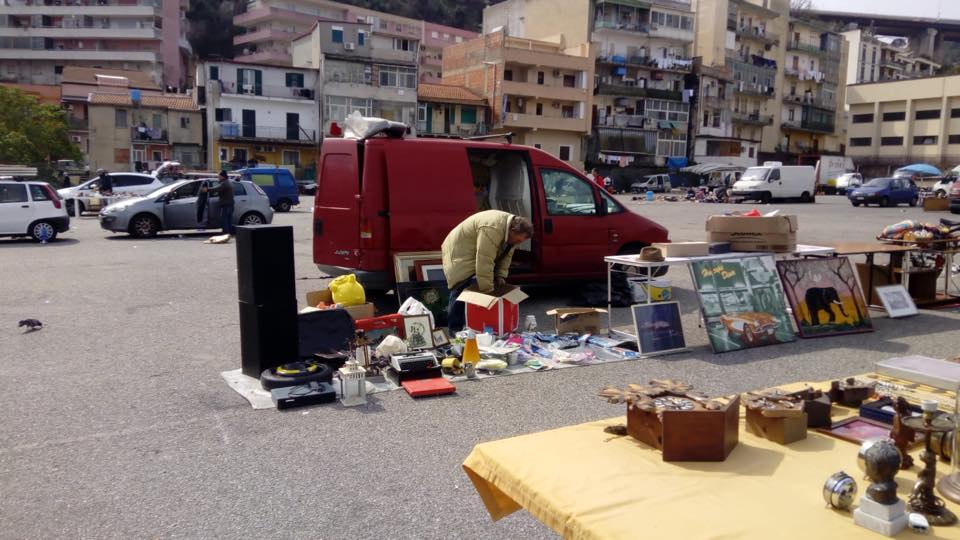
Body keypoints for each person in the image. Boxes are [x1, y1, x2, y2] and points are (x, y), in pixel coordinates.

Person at [441, 210, 534, 333]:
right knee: (460, 289)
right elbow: (484, 260)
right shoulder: (492, 228)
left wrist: (500, 275)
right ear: (512, 230)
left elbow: (507, 254)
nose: (518, 243)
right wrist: (488, 291)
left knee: (478, 287)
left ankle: (473, 329)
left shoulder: (511, 232)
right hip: (459, 253)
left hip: (474, 251)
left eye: (520, 241)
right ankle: (455, 330)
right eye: (518, 240)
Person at [202, 171, 235, 236]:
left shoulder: (224, 183)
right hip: (230, 204)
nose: (218, 177)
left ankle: (226, 233)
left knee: (224, 219)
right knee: (228, 219)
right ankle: (229, 232)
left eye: (219, 176)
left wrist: (207, 189)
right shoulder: (229, 182)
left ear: (222, 176)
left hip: (226, 205)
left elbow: (216, 189)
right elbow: (222, 191)